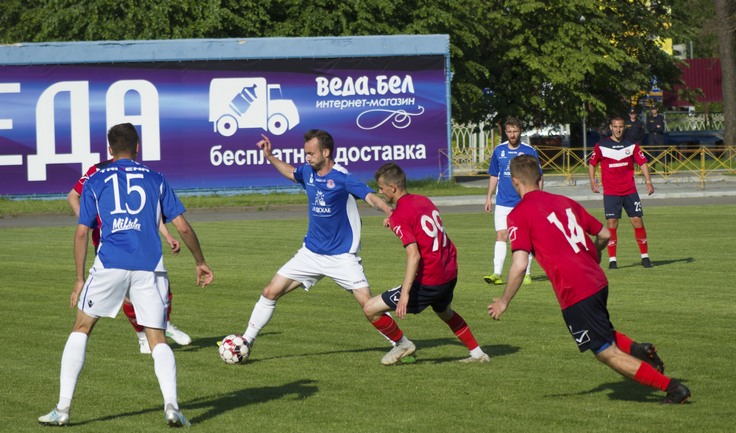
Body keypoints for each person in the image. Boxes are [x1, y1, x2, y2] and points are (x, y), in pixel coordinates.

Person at [38, 123, 214, 427]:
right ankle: (172, 406)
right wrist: (200, 261)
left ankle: (63, 409)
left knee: (81, 328)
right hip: (150, 266)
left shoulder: (95, 179)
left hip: (109, 263)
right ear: (137, 147)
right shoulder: (156, 178)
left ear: (109, 150)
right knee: (157, 338)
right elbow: (183, 226)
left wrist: (80, 279)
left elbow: (82, 234)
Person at [488, 154, 690, 404]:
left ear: (515, 182)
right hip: (596, 279)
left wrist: (504, 301)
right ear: (541, 179)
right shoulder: (565, 202)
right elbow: (605, 234)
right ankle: (639, 350)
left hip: (574, 289)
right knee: (603, 333)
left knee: (605, 352)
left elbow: (519, 265)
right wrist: (592, 256)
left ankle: (672, 387)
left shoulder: (519, 214)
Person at [240, 130, 394, 357]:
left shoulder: (343, 177)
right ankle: (245, 343)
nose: (307, 158)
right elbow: (292, 173)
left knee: (369, 305)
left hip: (341, 256)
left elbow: (370, 197)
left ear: (326, 152)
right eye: (305, 154)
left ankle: (400, 343)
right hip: (310, 254)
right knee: (270, 291)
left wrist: (389, 211)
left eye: (311, 154)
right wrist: (270, 157)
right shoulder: (308, 173)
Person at [363, 163, 490, 365]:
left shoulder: (399, 216)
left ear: (392, 188)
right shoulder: (423, 200)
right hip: (449, 270)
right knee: (444, 311)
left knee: (370, 308)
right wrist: (394, 217)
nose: (379, 192)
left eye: (381, 188)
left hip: (430, 279)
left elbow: (414, 255)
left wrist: (405, 293)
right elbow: (419, 223)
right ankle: (478, 354)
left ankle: (403, 344)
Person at [68, 160, 192, 354]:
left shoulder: (139, 171)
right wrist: (88, 219)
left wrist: (167, 235)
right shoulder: (97, 171)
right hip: (108, 243)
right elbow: (73, 196)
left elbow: (148, 210)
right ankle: (143, 336)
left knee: (160, 287)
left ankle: (162, 325)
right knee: (128, 295)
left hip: (138, 239)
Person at [588, 116, 655, 269]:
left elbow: (643, 163)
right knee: (612, 223)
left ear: (624, 128)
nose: (618, 130)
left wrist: (649, 182)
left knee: (637, 221)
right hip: (611, 192)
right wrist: (593, 181)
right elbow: (592, 164)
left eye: (621, 127)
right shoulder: (601, 145)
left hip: (630, 190)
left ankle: (645, 257)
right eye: (615, 127)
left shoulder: (631, 145)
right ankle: (612, 260)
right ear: (610, 127)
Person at [483, 116, 543, 286]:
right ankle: (497, 273)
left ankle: (527, 273)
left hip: (524, 202)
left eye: (515, 131)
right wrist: (489, 197)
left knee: (526, 237)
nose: (512, 134)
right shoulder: (499, 151)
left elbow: (538, 176)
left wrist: (538, 197)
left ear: (520, 131)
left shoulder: (529, 151)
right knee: (501, 235)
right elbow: (494, 175)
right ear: (505, 132)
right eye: (509, 131)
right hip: (502, 202)